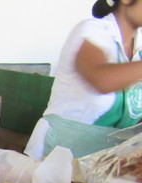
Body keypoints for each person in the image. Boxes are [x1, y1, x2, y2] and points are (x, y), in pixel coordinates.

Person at [25, 0, 142, 160]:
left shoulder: (139, 49)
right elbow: (101, 80)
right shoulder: (92, 31)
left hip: (105, 163)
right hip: (57, 156)